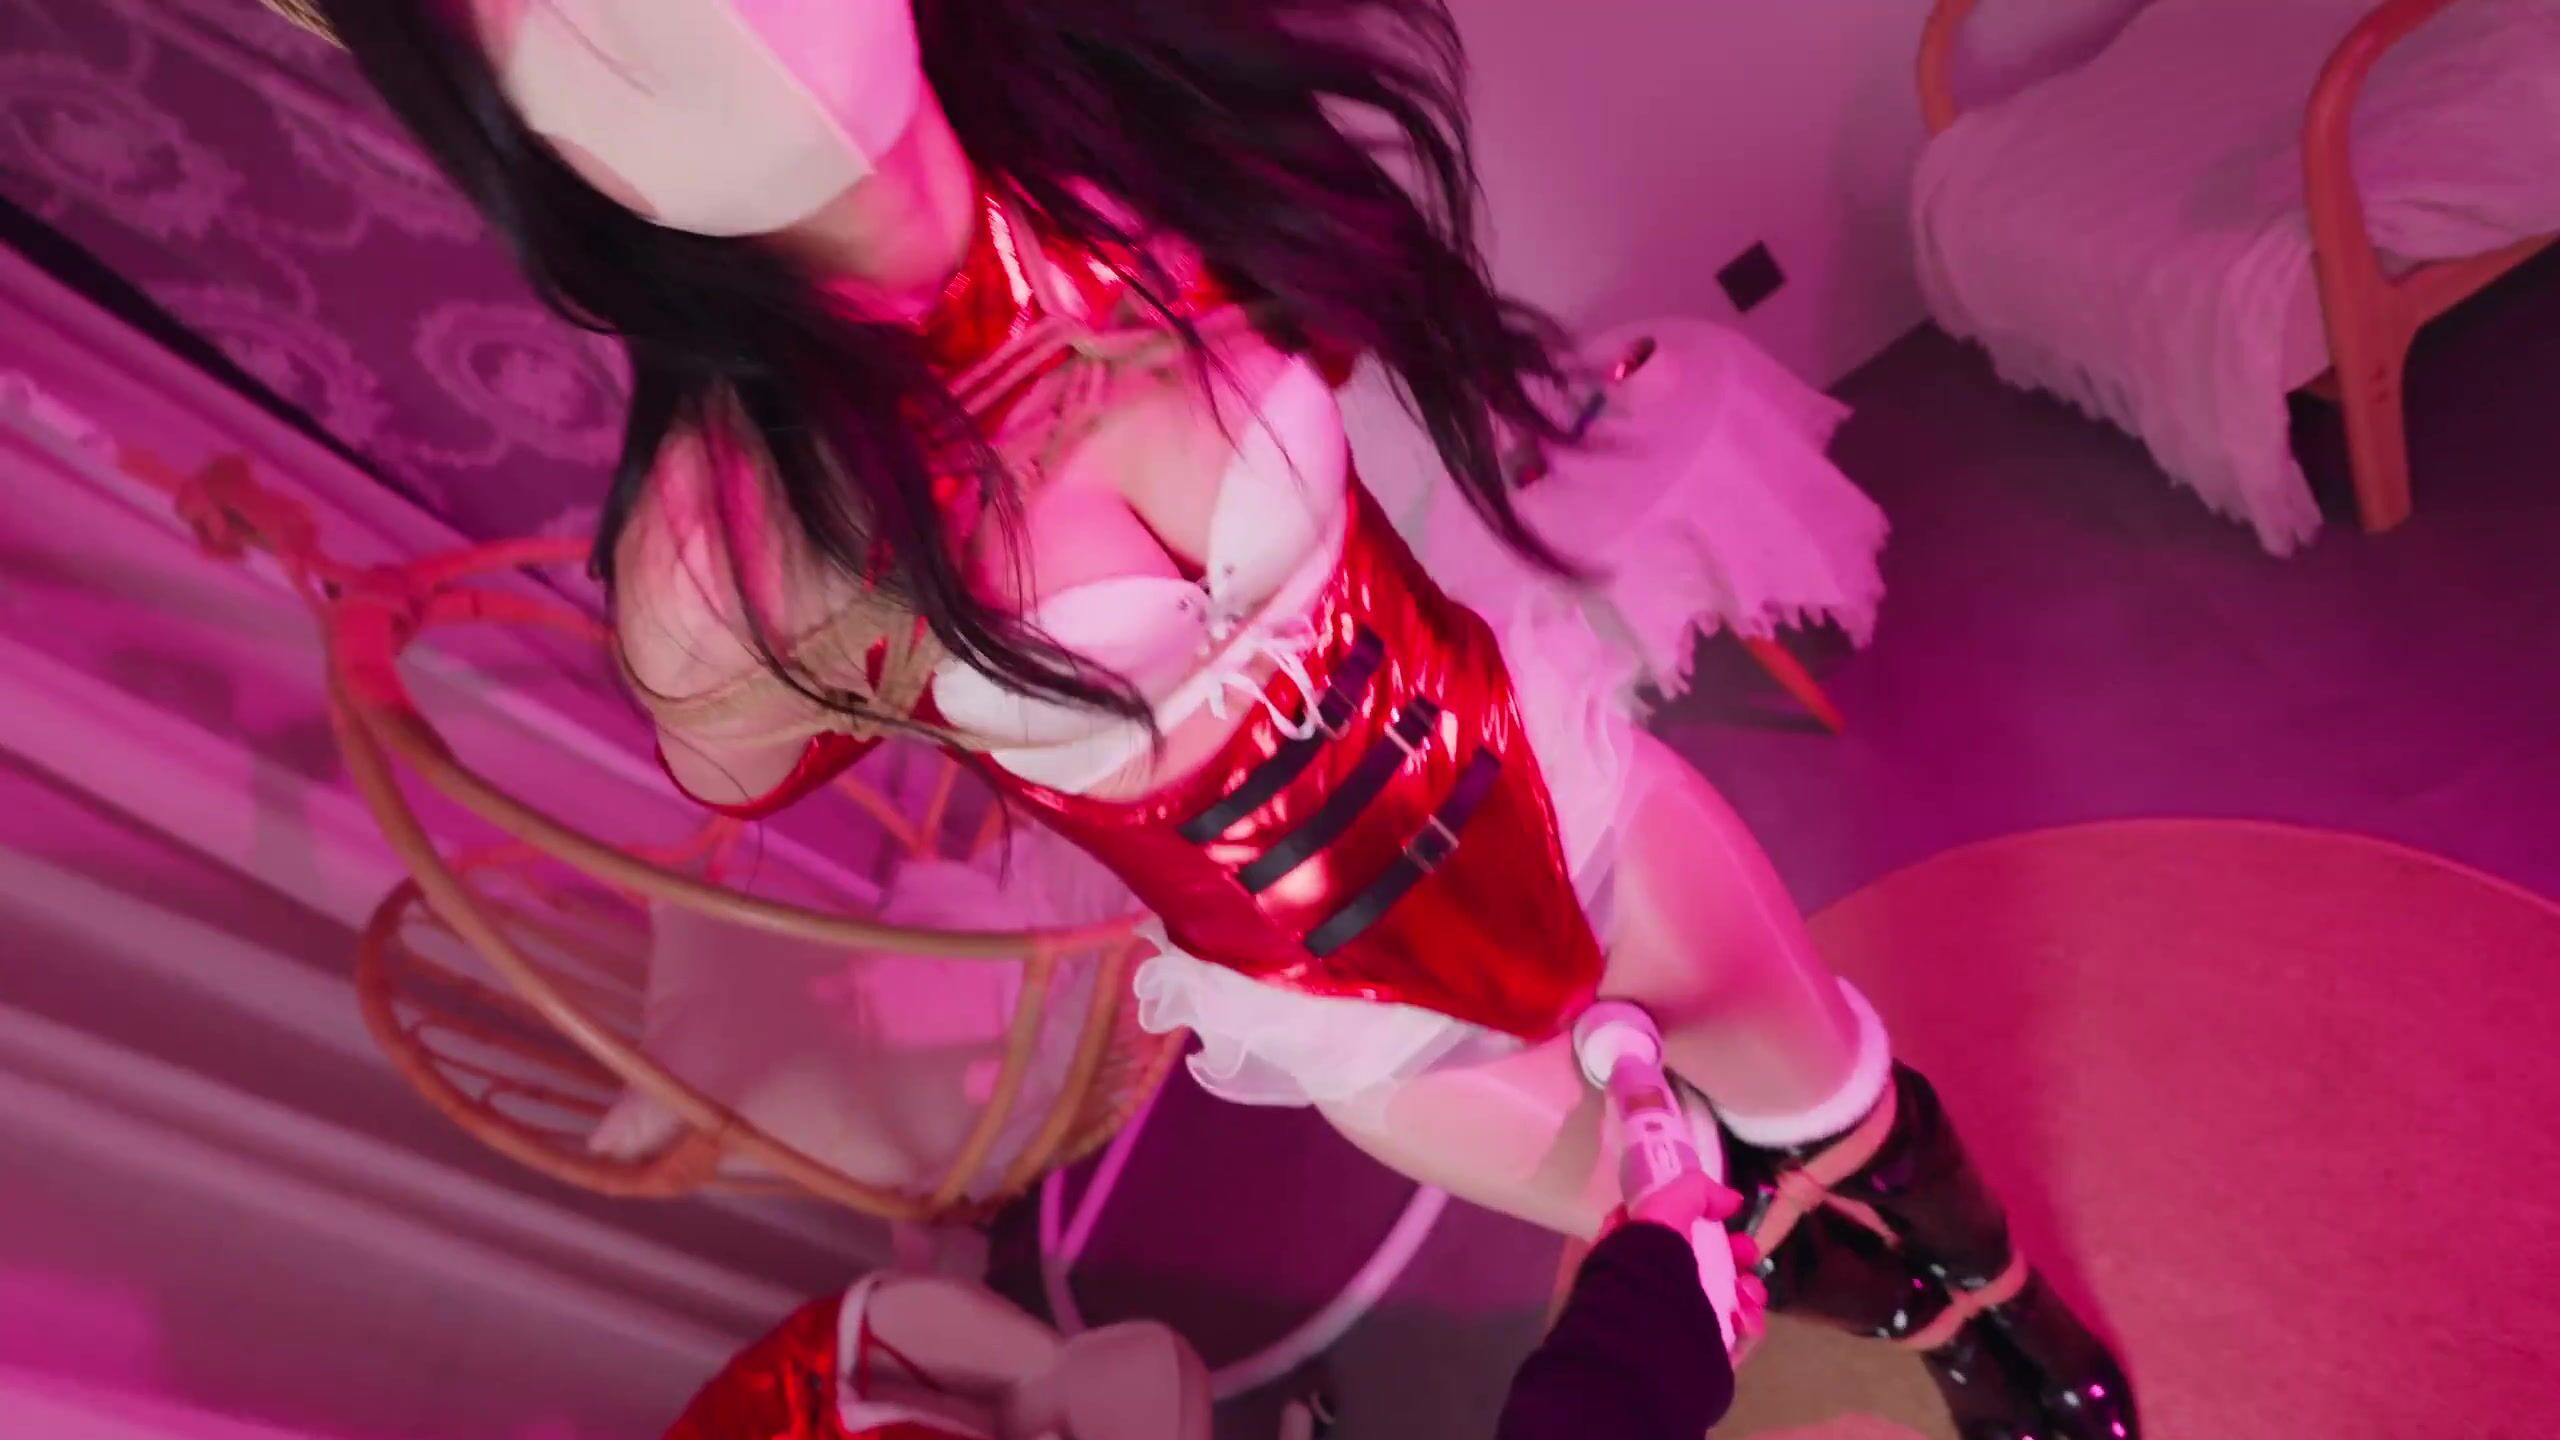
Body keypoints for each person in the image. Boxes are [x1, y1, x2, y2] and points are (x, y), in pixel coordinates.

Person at [266, 3, 2134, 1436]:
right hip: (1358, 1010)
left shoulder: (1134, 140)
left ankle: (2004, 1323)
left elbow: (1344, 308)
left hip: (1554, 796)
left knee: (1836, 1095)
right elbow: (730, 757)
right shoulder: (733, 555)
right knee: (1695, 1227)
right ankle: (1902, 1315)